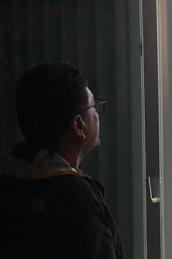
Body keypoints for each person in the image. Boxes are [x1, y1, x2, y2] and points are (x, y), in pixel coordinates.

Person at [0, 62, 123, 259]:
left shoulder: (11, 177)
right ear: (78, 125)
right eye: (94, 107)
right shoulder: (77, 199)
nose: (98, 115)